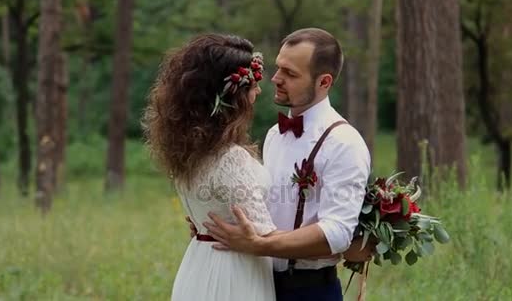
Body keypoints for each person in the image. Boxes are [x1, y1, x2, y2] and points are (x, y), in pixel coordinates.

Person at [200, 28, 374, 301]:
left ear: (324, 82)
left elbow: (338, 232)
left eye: (291, 74)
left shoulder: (344, 143)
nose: (276, 79)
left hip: (309, 290)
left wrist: (260, 244)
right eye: (279, 67)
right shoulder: (273, 135)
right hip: (256, 283)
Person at [143, 34, 277, 301]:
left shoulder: (190, 152)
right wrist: (331, 241)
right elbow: (263, 234)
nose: (259, 91)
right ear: (233, 95)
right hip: (234, 275)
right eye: (253, 85)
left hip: (199, 263)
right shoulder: (231, 158)